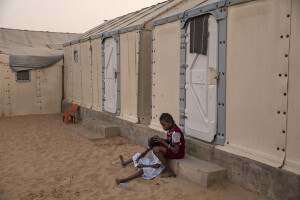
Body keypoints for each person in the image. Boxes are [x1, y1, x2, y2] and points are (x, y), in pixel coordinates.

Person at [152, 113, 185, 177]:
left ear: (170, 122)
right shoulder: (170, 128)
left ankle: (169, 171)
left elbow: (176, 151)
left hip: (178, 153)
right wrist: (160, 139)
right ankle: (155, 162)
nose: (163, 127)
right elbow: (170, 140)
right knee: (152, 140)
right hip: (172, 148)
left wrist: (162, 141)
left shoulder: (176, 133)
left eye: (164, 125)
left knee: (156, 149)